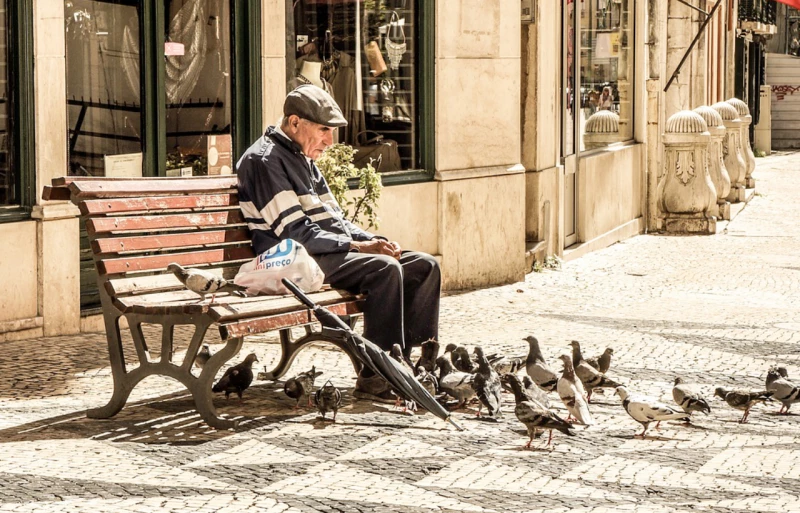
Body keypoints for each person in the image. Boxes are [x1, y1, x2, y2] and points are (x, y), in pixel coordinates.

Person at [235, 85, 441, 402]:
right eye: (324, 130)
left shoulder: (302, 156)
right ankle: (376, 376)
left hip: (319, 255)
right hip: (290, 262)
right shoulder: (265, 161)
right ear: (294, 123)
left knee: (424, 266)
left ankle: (412, 366)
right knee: (384, 270)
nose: (330, 141)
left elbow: (336, 220)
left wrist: (370, 239)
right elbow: (294, 233)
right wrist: (359, 248)